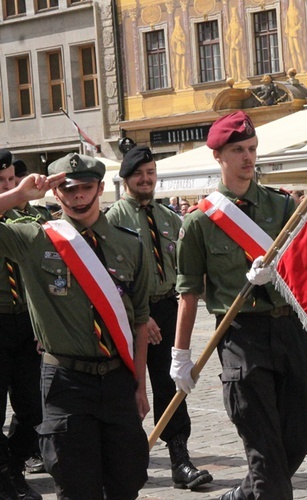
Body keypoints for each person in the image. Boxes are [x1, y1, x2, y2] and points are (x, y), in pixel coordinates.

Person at [170, 111, 307, 500]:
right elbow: (188, 291)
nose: (248, 157)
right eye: (238, 150)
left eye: (252, 148)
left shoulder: (281, 206)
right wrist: (180, 355)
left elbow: (306, 266)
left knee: (303, 432)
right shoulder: (200, 222)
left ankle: (244, 496)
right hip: (240, 337)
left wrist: (281, 273)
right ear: (218, 156)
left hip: (288, 329)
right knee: (265, 455)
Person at [0, 153, 151, 498]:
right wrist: (19, 195)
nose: (78, 196)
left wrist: (140, 386)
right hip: (66, 382)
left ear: (100, 189)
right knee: (75, 482)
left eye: (86, 187)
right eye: (69, 189)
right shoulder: (33, 239)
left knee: (127, 479)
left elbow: (140, 320)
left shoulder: (129, 243)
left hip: (117, 378)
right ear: (56, 193)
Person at [106, 146, 213, 491]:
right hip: (129, 314)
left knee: (171, 384)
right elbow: (107, 277)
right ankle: (126, 459)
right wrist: (140, 316)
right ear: (125, 180)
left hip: (166, 310)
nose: (146, 179)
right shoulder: (111, 221)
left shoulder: (168, 218)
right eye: (138, 174)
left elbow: (185, 267)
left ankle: (180, 459)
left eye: (150, 172)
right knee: (128, 387)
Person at [0, 152, 43, 500]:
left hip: (27, 322)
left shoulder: (27, 216)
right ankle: (5, 479)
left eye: (12, 180)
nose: (10, 187)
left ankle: (13, 464)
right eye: (1, 183)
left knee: (34, 409)